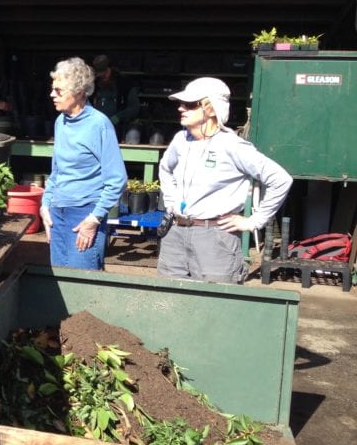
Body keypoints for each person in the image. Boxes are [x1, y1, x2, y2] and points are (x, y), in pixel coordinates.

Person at [157, 77, 292, 284]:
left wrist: (254, 221)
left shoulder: (232, 146)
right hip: (175, 234)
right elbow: (165, 169)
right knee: (168, 300)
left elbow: (280, 179)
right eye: (182, 104)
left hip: (214, 238)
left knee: (214, 306)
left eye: (191, 104)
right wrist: (171, 202)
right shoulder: (180, 140)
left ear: (211, 109)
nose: (181, 109)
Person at [40, 57, 127, 270]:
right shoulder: (61, 122)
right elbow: (57, 170)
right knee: (60, 279)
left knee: (83, 284)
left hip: (83, 214)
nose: (52, 95)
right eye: (53, 89)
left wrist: (94, 219)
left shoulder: (99, 124)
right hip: (57, 212)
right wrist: (45, 205)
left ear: (79, 92)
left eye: (59, 91)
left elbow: (117, 179)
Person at [91, 54, 141, 141]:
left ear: (109, 69)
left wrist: (118, 117)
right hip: (97, 127)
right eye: (100, 75)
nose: (102, 77)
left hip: (119, 129)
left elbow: (135, 107)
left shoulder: (125, 83)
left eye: (104, 73)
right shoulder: (95, 84)